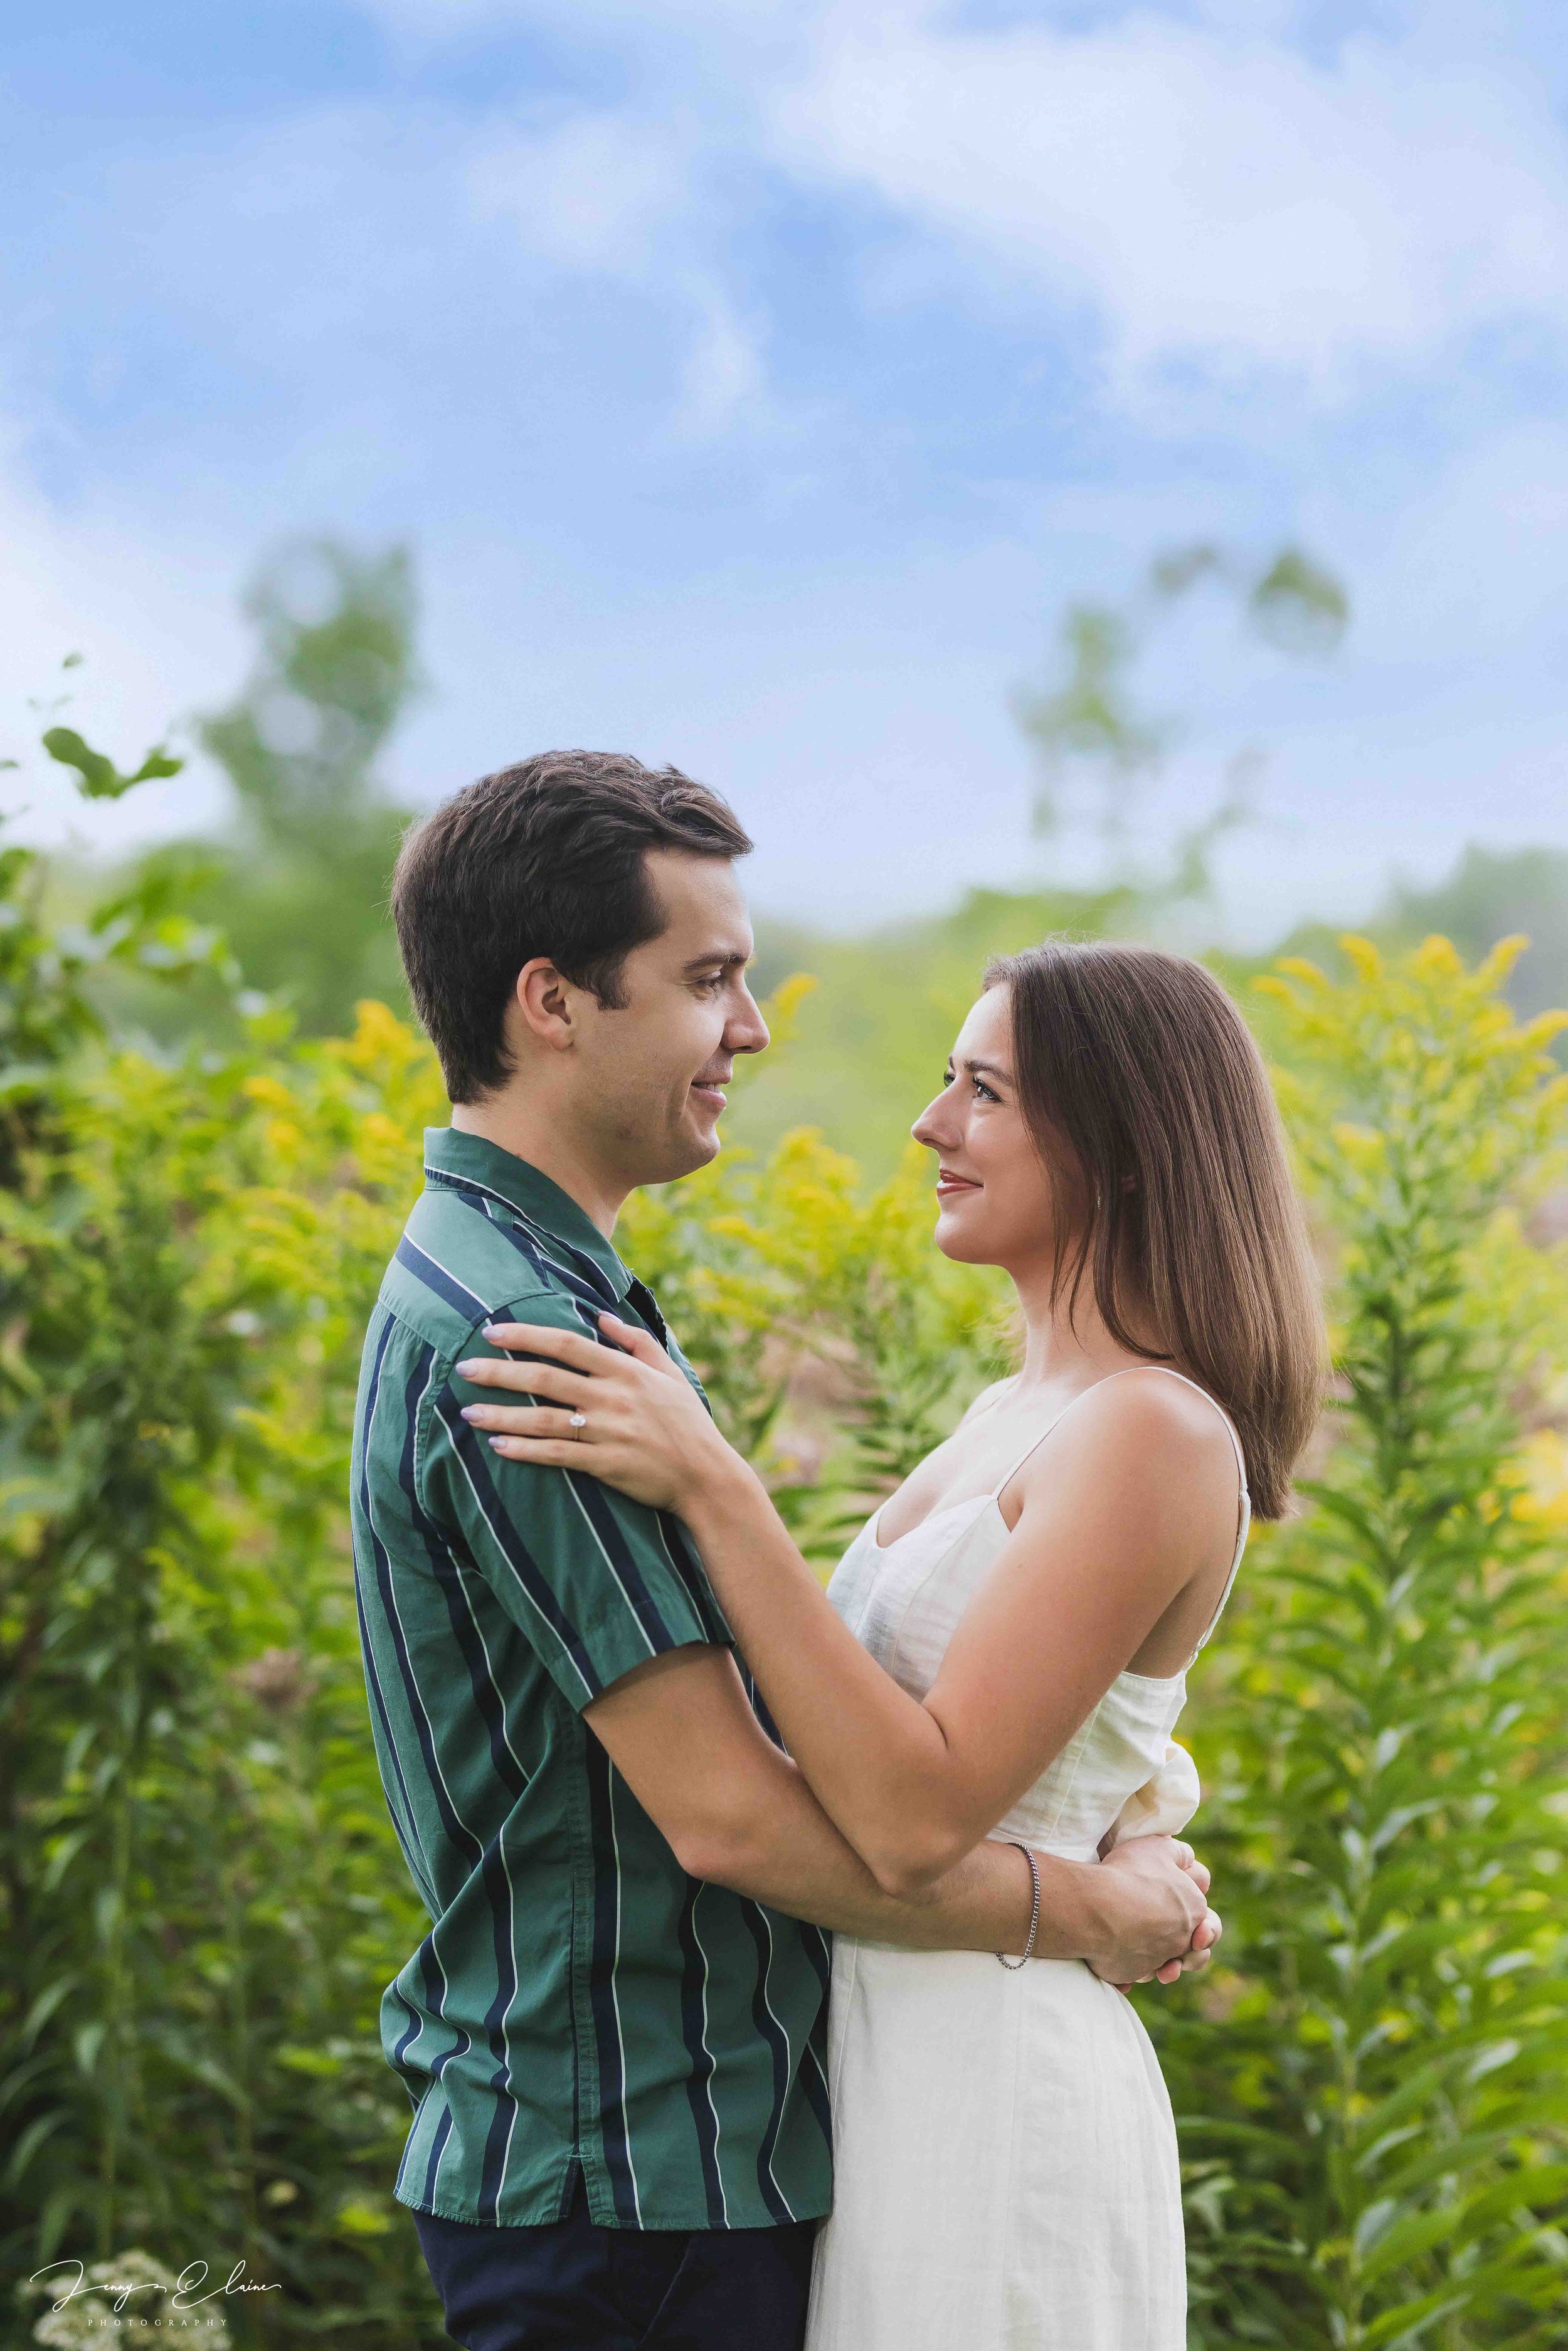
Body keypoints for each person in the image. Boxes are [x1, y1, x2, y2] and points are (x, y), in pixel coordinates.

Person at [354, 751, 1220, 2351]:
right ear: (552, 1001)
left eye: (985, 1087)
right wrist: (1091, 1908)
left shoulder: (547, 1299)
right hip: (633, 2162)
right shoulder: (531, 1336)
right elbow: (740, 1815)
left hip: (778, 2127)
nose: (751, 1026)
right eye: (708, 977)